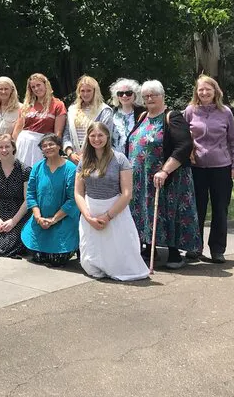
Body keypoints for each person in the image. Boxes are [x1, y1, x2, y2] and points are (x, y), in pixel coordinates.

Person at [127, 81, 201, 268]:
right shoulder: (142, 115)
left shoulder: (172, 117)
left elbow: (184, 146)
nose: (149, 99)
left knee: (169, 212)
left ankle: (174, 252)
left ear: (162, 96)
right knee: (146, 211)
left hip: (169, 178)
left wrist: (165, 170)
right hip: (142, 179)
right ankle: (148, 247)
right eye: (146, 96)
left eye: (153, 95)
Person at [74, 122, 149, 281]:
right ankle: (97, 267)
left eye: (100, 135)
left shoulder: (120, 159)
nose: (96, 139)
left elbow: (127, 193)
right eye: (92, 135)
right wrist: (87, 216)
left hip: (114, 208)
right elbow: (78, 192)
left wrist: (108, 216)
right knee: (92, 249)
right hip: (91, 209)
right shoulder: (84, 161)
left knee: (118, 249)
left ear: (107, 136)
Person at [184, 75, 234, 263]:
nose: (204, 92)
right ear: (196, 92)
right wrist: (188, 153)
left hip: (221, 168)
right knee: (196, 209)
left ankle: (217, 249)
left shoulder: (225, 112)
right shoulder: (190, 111)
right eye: (201, 89)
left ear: (215, 91)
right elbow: (183, 137)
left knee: (220, 209)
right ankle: (195, 246)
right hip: (196, 168)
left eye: (208, 89)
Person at [20, 133, 79, 266]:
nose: (48, 147)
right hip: (40, 222)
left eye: (51, 144)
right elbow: (30, 194)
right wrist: (38, 217)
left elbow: (72, 200)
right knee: (39, 258)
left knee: (56, 260)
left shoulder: (71, 169)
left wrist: (53, 220)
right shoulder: (37, 167)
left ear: (59, 146)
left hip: (62, 222)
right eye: (44, 146)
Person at [13, 73, 67, 167]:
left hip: (43, 145)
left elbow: (57, 133)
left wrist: (53, 150)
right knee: (21, 176)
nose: (36, 89)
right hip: (23, 144)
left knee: (39, 175)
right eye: (33, 87)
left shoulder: (58, 105)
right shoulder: (27, 105)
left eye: (38, 85)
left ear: (46, 85)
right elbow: (17, 130)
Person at [62, 75, 114, 163]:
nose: (85, 94)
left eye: (89, 90)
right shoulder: (72, 110)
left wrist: (87, 154)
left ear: (95, 91)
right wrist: (70, 153)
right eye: (82, 91)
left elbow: (106, 137)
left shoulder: (104, 111)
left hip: (96, 159)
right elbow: (66, 134)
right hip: (74, 160)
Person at [108, 78, 145, 155]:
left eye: (128, 93)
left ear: (135, 94)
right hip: (115, 159)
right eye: (120, 93)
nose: (124, 96)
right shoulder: (111, 113)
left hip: (136, 157)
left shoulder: (143, 113)